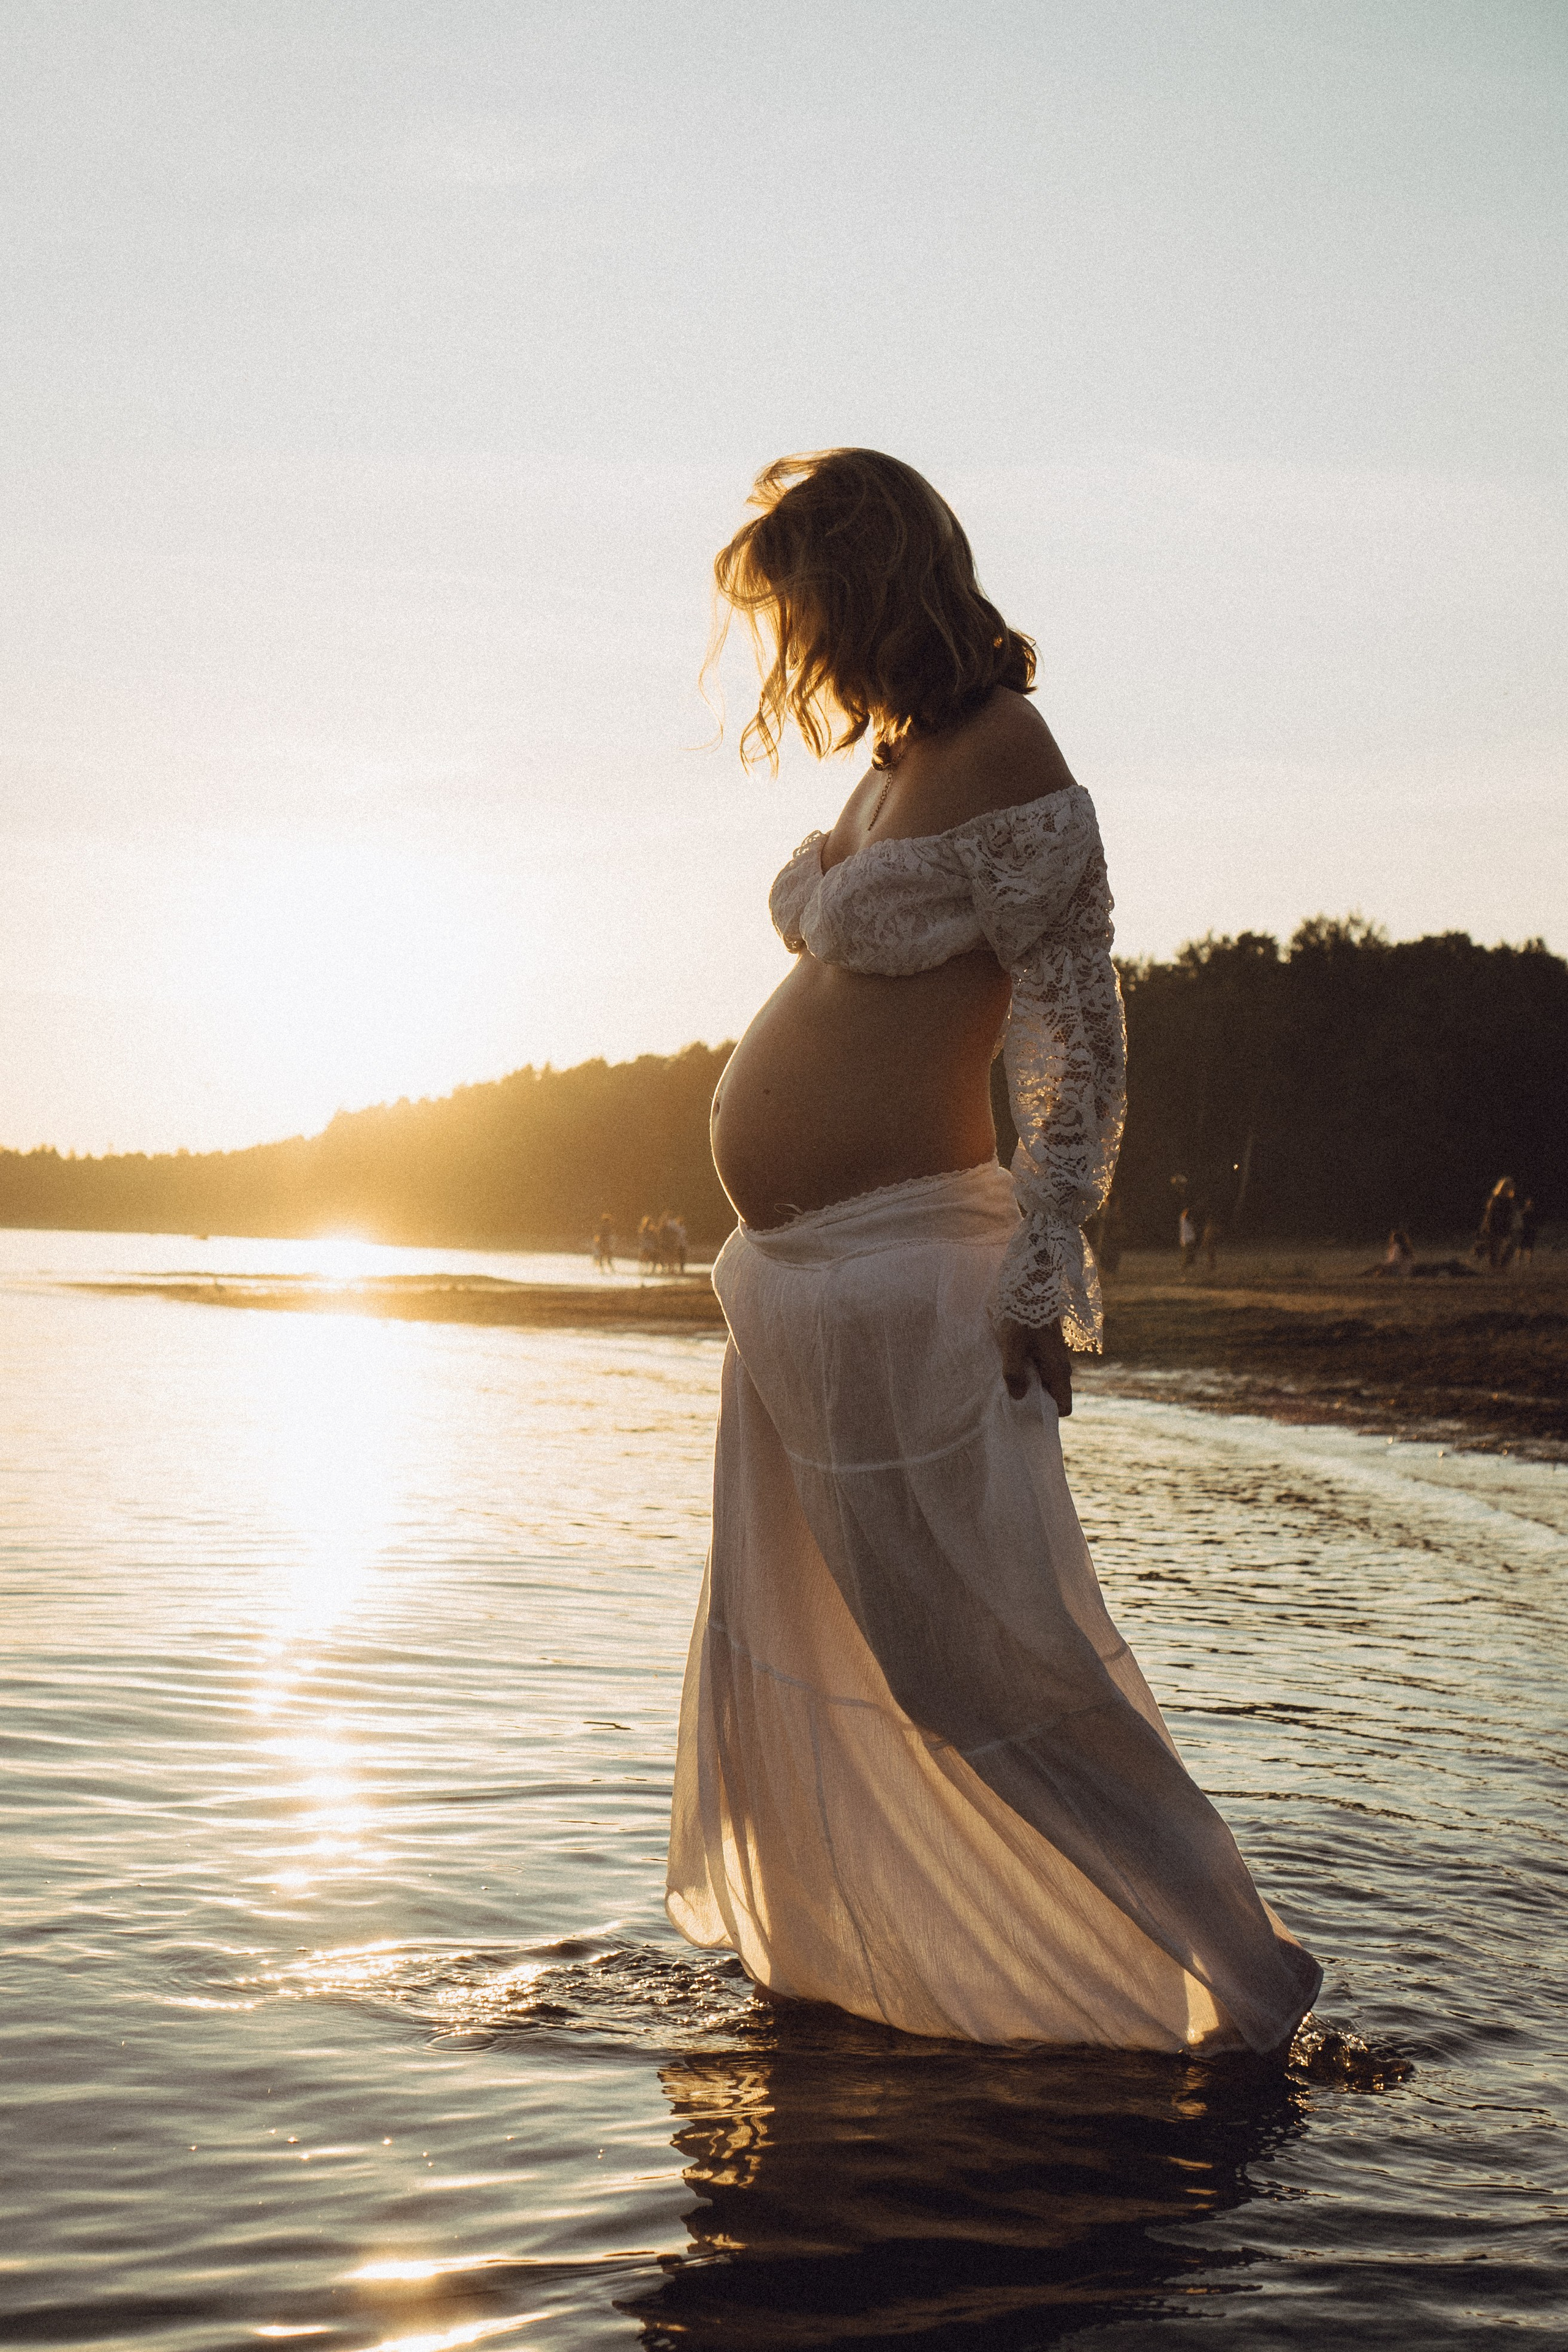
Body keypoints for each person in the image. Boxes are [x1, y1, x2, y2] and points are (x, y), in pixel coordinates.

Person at [666, 448, 1321, 2056]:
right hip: (799, 1288)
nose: (793, 644)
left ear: (876, 583)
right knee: (818, 1644)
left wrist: (1045, 1267)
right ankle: (865, 1978)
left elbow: (1076, 1025)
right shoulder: (893, 758)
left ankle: (1234, 1984)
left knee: (985, 1664)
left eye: (806, 602)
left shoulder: (1008, 744)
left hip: (910, 1276)